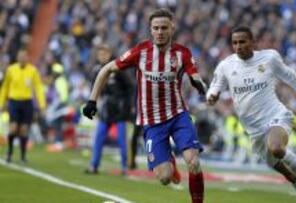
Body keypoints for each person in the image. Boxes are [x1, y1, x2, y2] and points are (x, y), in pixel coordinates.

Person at [83, 8, 206, 203]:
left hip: (178, 116)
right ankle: (170, 163)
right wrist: (92, 100)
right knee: (165, 177)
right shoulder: (140, 52)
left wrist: (199, 84)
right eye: (156, 28)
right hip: (152, 122)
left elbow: (195, 74)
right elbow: (106, 69)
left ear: (172, 28)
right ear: (150, 30)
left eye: (164, 28)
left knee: (193, 162)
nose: (160, 32)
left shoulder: (182, 53)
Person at [206, 26, 296, 203]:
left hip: (276, 116)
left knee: (276, 147)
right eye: (234, 42)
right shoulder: (226, 65)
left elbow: (291, 77)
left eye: (242, 41)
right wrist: (212, 96)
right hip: (254, 131)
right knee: (290, 175)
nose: (238, 46)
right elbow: (215, 86)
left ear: (253, 42)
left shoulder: (269, 58)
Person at [85, 44, 133, 175]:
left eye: (105, 53)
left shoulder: (118, 68)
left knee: (122, 139)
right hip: (105, 109)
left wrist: (129, 106)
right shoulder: (96, 70)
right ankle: (94, 166)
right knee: (99, 137)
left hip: (120, 109)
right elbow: (95, 89)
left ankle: (125, 167)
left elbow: (131, 87)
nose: (102, 56)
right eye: (100, 54)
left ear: (110, 53)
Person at [0, 49, 46, 163]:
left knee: (24, 130)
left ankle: (23, 156)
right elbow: (5, 87)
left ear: (27, 58)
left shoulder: (32, 71)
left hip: (27, 102)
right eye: (20, 56)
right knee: (13, 128)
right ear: (17, 57)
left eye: (24, 56)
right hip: (14, 102)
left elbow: (38, 88)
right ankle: (10, 152)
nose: (22, 59)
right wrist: (2, 102)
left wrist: (42, 105)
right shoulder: (11, 70)